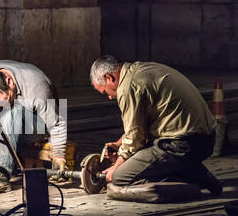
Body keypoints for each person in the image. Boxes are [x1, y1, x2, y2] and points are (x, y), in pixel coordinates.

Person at [89, 55, 222, 202]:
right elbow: (139, 128)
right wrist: (118, 144)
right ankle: (195, 172)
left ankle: (189, 185)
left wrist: (117, 166)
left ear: (109, 78)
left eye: (105, 92)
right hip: (206, 140)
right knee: (136, 156)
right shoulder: (141, 70)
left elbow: (135, 138)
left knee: (119, 178)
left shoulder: (127, 87)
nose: (109, 97)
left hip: (180, 145)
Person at [0, 60, 67, 195]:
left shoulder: (36, 86)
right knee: (3, 116)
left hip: (38, 125)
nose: (1, 108)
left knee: (12, 112)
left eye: (5, 100)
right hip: (8, 126)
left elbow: (56, 123)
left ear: (10, 82)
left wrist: (58, 155)